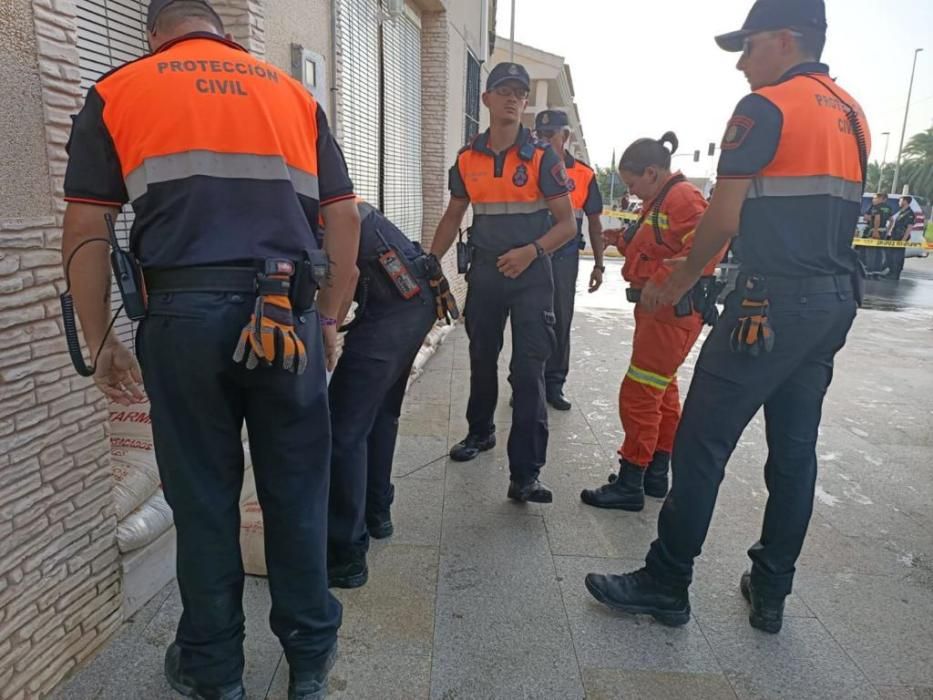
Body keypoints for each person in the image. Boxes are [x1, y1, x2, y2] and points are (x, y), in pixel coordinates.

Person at [61, 1, 361, 697]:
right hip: (286, 315)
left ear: (153, 32)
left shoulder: (120, 89)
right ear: (219, 29)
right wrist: (327, 321)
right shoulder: (291, 94)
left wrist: (100, 335)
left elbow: (85, 224)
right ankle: (310, 656)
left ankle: (214, 669)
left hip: (182, 315)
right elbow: (342, 215)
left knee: (201, 499)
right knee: (296, 491)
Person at [584, 0, 869, 635]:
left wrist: (678, 280)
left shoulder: (765, 107)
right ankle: (770, 590)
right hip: (830, 305)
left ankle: (666, 580)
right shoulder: (852, 112)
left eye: (750, 45)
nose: (742, 62)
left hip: (767, 309)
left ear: (787, 41)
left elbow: (726, 215)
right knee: (794, 452)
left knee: (701, 445)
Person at [430, 62, 576, 503]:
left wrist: (531, 252)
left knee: (527, 371)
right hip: (486, 272)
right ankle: (480, 432)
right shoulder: (467, 158)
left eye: (520, 93)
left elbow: (566, 224)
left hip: (532, 274)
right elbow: (454, 214)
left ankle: (526, 474)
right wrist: (427, 263)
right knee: (480, 356)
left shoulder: (542, 156)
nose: (512, 98)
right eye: (504, 91)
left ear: (525, 103)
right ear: (486, 99)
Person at [579, 133, 718, 512]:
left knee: (640, 392)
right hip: (663, 313)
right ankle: (655, 472)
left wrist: (662, 280)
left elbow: (710, 244)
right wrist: (611, 239)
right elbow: (648, 242)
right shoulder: (660, 199)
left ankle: (631, 480)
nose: (632, 191)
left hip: (669, 312)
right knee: (661, 390)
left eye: (633, 183)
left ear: (652, 172)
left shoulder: (681, 197)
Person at [327, 200, 453, 589]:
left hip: (396, 309)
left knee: (342, 427)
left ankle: (345, 555)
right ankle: (376, 511)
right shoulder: (323, 189)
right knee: (378, 412)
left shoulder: (311, 199)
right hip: (414, 301)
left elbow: (344, 274)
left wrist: (326, 325)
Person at [534, 109, 606, 411]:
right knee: (531, 320)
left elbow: (594, 223)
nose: (546, 142)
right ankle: (528, 382)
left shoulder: (585, 175)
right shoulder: (528, 167)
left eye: (552, 136)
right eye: (541, 136)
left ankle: (554, 384)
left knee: (561, 318)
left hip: (564, 256)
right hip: (533, 251)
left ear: (566, 137)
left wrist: (599, 264)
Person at [884, 196, 916, 280]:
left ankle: (895, 274)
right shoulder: (902, 212)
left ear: (905, 201)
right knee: (891, 255)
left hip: (900, 238)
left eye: (900, 200)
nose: (899, 202)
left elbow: (909, 228)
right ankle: (891, 272)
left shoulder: (910, 213)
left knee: (897, 257)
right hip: (895, 236)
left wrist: (903, 240)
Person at [861, 192, 891, 276]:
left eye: (875, 198)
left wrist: (875, 230)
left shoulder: (876, 207)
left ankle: (870, 270)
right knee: (879, 251)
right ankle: (878, 270)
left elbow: (877, 219)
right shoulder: (888, 208)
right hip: (883, 231)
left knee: (871, 251)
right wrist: (888, 230)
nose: (873, 199)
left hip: (874, 231)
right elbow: (891, 220)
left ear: (881, 198)